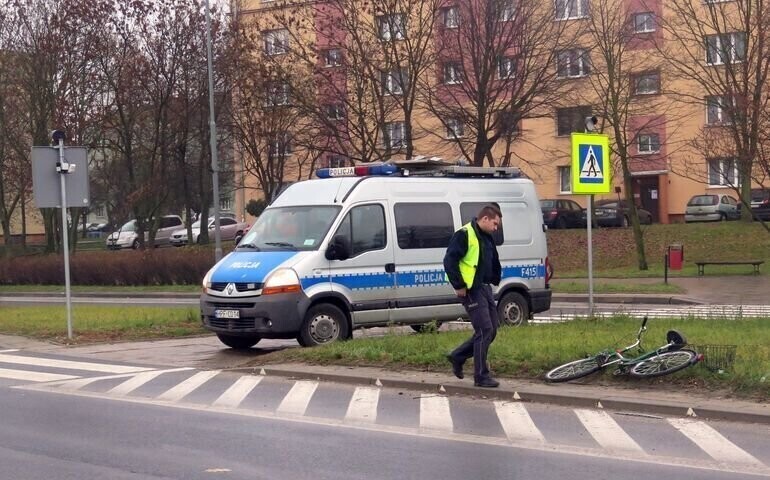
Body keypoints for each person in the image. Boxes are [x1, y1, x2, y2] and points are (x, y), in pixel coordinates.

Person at [443, 204, 503, 388]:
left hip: (484, 287)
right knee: (484, 330)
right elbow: (449, 260)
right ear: (485, 218)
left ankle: (458, 356)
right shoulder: (464, 234)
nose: (496, 228)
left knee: (492, 330)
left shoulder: (486, 236)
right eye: (494, 224)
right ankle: (481, 376)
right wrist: (459, 285)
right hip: (470, 289)